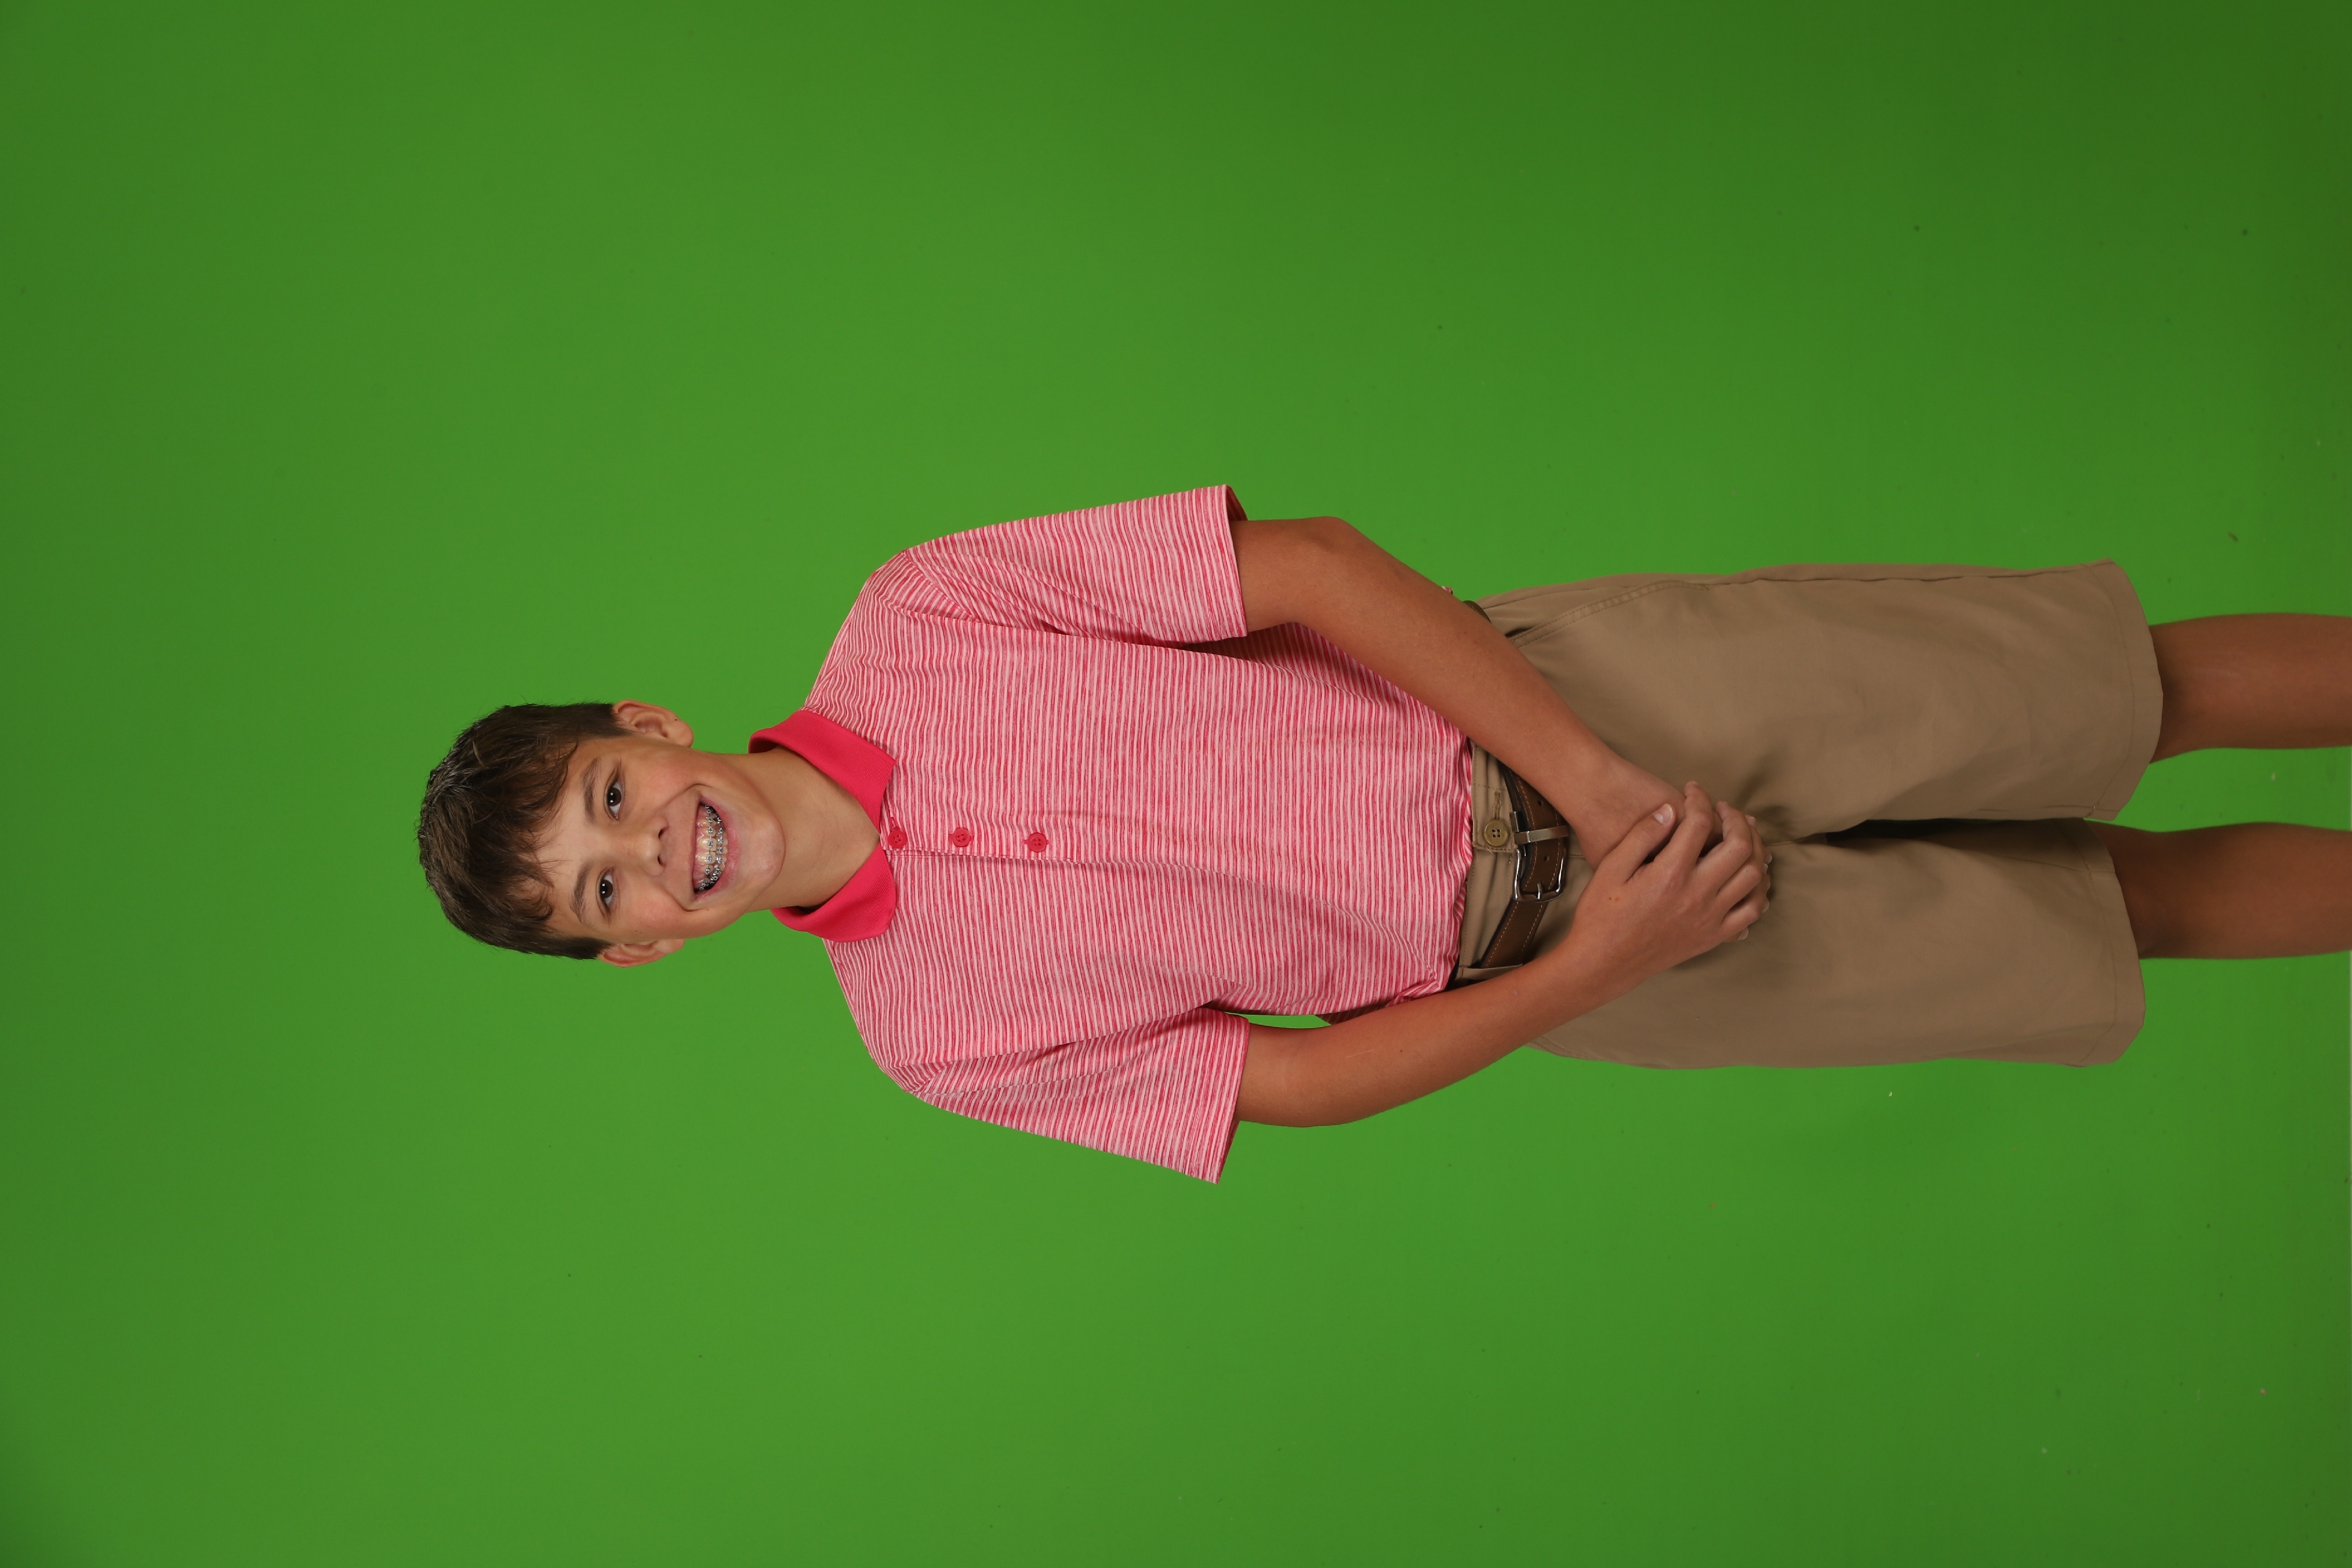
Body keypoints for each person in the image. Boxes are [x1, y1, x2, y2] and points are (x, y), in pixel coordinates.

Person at [416, 488, 2352, 1181]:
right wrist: (1599, 965)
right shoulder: (931, 1040)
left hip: (1592, 710)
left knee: (2116, 689)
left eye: (611, 799)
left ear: (644, 728)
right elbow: (1290, 1086)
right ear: (640, 950)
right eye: (605, 893)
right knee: (2125, 912)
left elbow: (1313, 570)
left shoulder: (919, 608)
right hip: (1590, 963)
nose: (646, 848)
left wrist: (1601, 781)